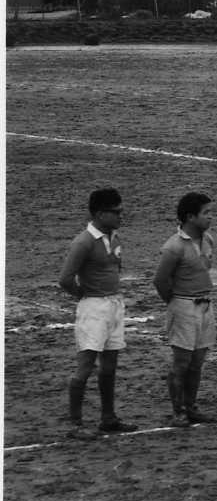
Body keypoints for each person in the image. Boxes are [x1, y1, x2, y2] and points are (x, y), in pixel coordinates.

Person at [59, 187, 137, 437]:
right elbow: (65, 279)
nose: (121, 216)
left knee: (109, 365)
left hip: (113, 304)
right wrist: (83, 295)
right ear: (100, 213)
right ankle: (75, 424)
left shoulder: (113, 236)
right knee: (85, 366)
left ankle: (108, 418)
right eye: (116, 212)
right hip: (94, 307)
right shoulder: (83, 242)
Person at [151, 190, 216, 426]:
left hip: (205, 305)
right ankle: (178, 410)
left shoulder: (208, 240)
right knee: (181, 362)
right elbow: (160, 280)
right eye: (206, 213)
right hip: (184, 305)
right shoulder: (174, 247)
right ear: (190, 217)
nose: (211, 217)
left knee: (197, 361)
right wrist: (176, 303)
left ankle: (191, 406)